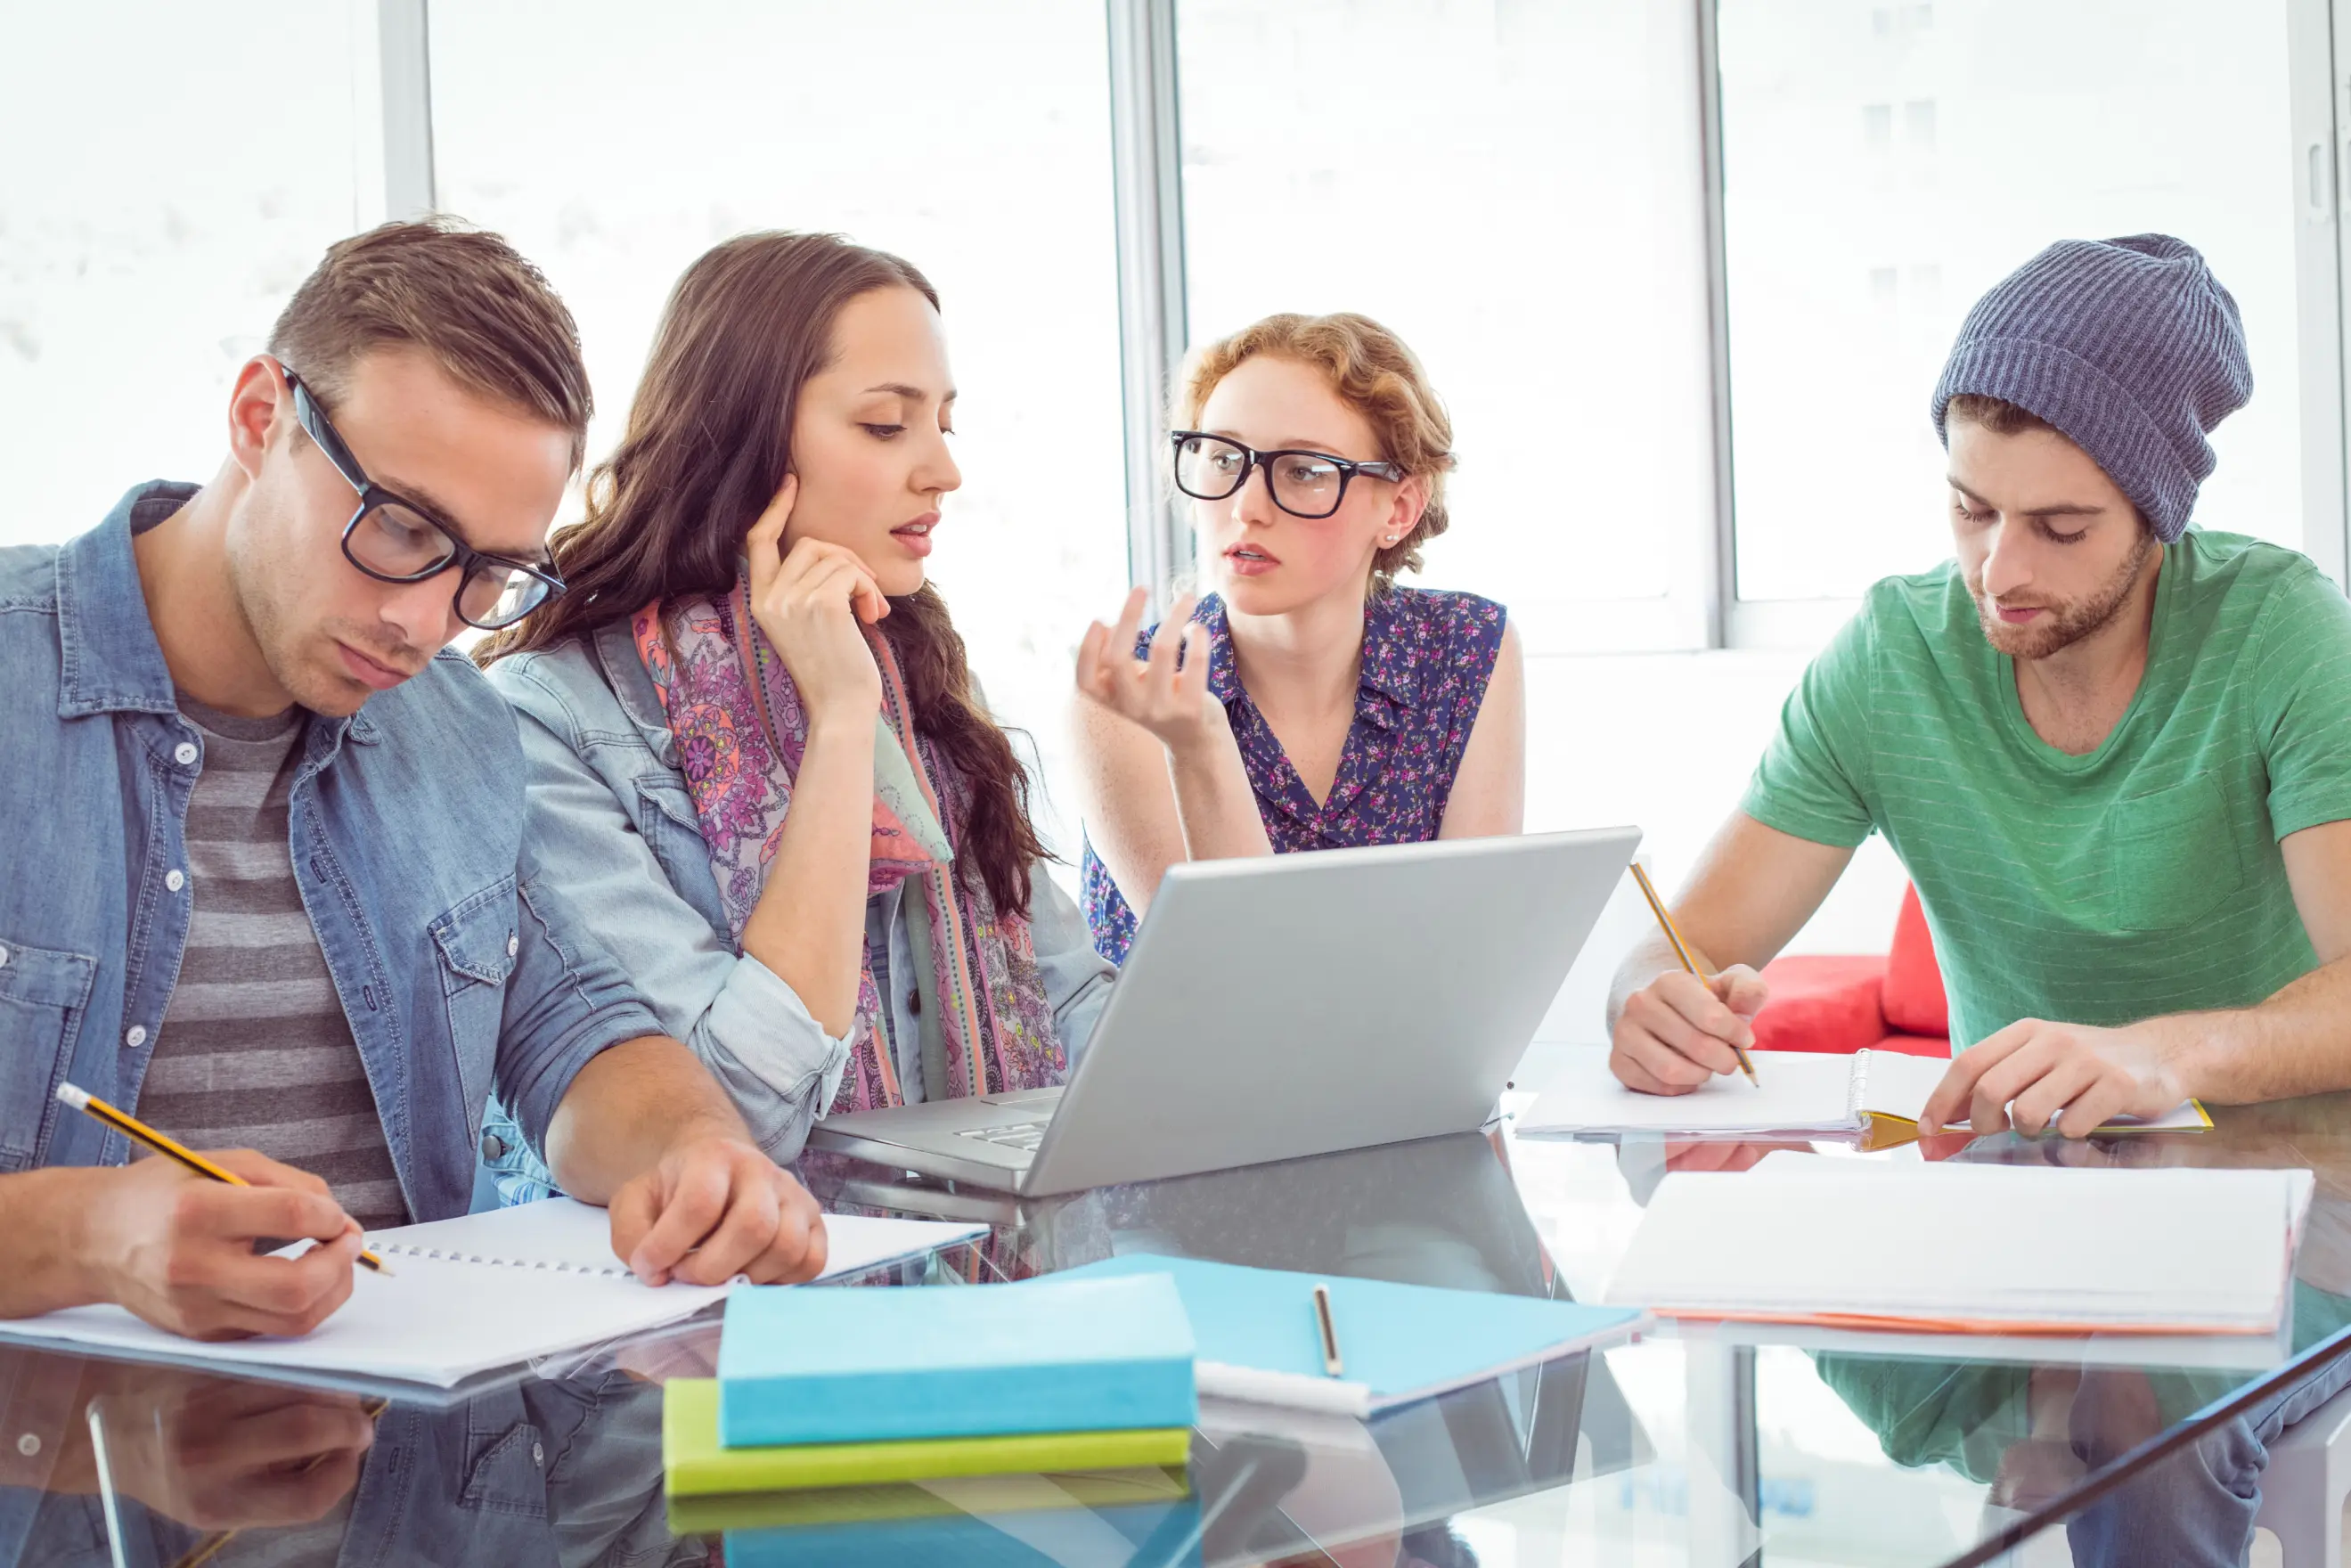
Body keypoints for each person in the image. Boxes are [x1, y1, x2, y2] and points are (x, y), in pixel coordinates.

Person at [1607, 233, 2351, 1564]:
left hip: (2300, 1179)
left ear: (2158, 512)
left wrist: (2154, 1052)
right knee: (1764, 1279)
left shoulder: (2275, 632)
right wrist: (1649, 1000)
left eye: (2059, 528)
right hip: (2020, 1184)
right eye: (1966, 509)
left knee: (2136, 1396)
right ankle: (2038, 1428)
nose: (1998, 570)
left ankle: (2055, 1428)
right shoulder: (1895, 653)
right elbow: (1689, 943)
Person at [0, 219, 828, 1344]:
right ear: (260, 418)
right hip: (53, 1488)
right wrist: (83, 1236)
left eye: (487, 574)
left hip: (411, 1477)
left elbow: (573, 1027)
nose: (424, 622)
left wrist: (695, 1149)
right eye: (400, 528)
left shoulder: (457, 731)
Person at [470, 231, 1113, 1183]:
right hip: (701, 1301)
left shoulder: (922, 674)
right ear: (748, 436)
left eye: (944, 422)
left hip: (957, 1266)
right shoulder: (551, 716)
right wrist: (843, 723)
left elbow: (1069, 1010)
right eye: (886, 426)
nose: (943, 470)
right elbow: (730, 1122)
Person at [1072, 312, 1525, 963]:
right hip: (1184, 1066)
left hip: (1404, 1061)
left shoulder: (1465, 648)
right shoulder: (1127, 690)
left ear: (1397, 509)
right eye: (1223, 458)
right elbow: (1236, 981)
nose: (1245, 507)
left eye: (1304, 470)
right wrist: (1198, 744)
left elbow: (1470, 958)